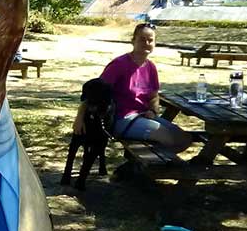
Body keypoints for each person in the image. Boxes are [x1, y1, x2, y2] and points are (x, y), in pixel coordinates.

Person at [73, 23, 193, 152]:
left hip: (143, 116)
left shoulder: (150, 67)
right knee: (165, 136)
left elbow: (153, 96)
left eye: (150, 40)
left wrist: (153, 111)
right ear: (133, 41)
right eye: (142, 39)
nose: (146, 43)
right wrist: (80, 117)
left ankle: (143, 168)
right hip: (120, 119)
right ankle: (154, 169)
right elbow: (95, 92)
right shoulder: (119, 64)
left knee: (184, 139)